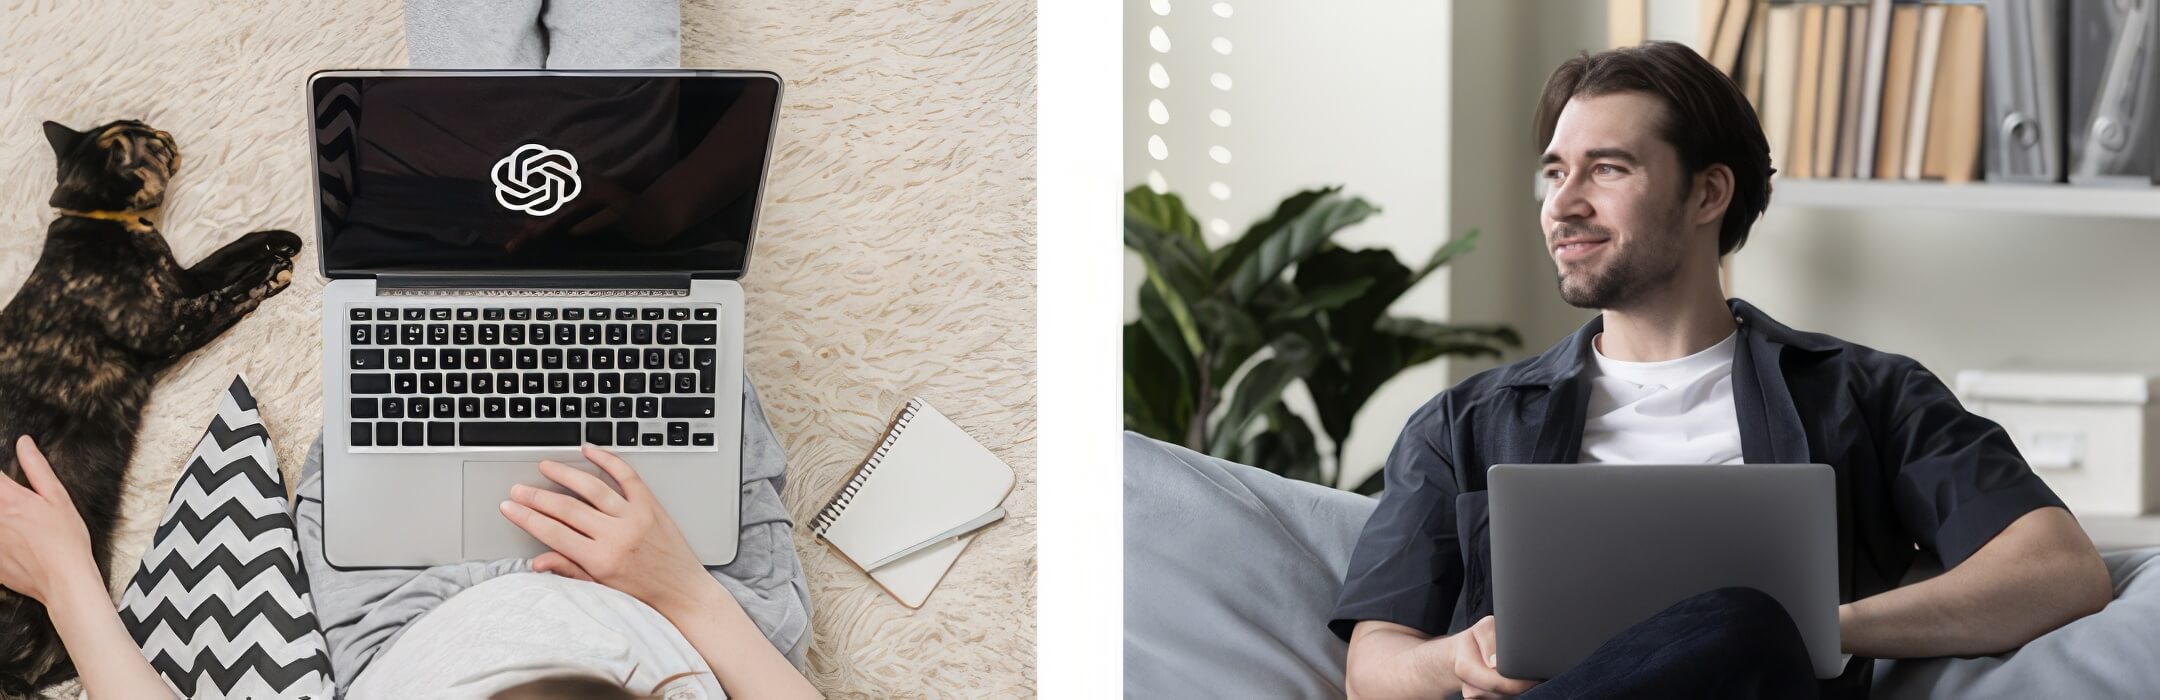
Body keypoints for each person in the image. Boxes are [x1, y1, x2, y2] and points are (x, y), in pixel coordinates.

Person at [1330, 41, 2115, 699]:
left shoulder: (1870, 395)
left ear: (1708, 192)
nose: (1562, 204)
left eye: (1605, 170)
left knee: (1745, 625)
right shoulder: (1462, 423)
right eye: (1554, 172)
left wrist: (1819, 626)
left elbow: (2058, 571)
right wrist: (1457, 656)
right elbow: (1375, 662)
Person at [0, 436, 820, 699]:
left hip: (397, 614)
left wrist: (68, 582)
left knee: (437, 244)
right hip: (689, 614)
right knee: (645, 259)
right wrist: (684, 590)